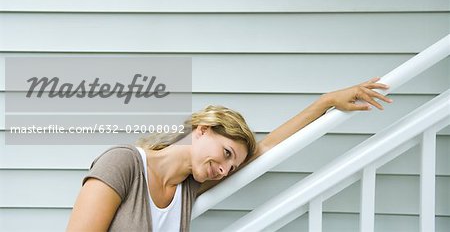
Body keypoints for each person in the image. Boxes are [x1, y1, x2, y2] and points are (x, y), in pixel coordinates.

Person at [66, 77, 392, 232]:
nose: (224, 170)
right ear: (203, 128)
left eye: (231, 164)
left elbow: (266, 149)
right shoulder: (123, 164)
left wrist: (325, 102)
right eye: (225, 153)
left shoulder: (187, 188)